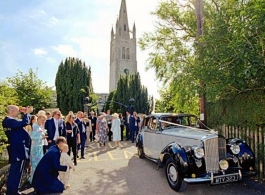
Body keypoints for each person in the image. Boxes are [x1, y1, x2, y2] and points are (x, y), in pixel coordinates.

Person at [2, 105, 32, 195]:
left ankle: (15, 190)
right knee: (14, 171)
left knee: (19, 171)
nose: (18, 112)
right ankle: (11, 191)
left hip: (20, 148)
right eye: (17, 110)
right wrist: (27, 113)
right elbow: (24, 123)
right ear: (11, 111)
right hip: (16, 149)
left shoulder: (12, 121)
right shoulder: (7, 121)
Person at [29, 113, 48, 183]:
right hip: (35, 147)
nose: (43, 122)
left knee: (39, 163)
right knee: (35, 163)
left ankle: (37, 178)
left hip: (40, 147)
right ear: (39, 119)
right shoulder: (35, 126)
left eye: (44, 120)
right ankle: (33, 179)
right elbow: (32, 136)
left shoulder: (40, 126)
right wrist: (41, 137)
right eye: (42, 120)